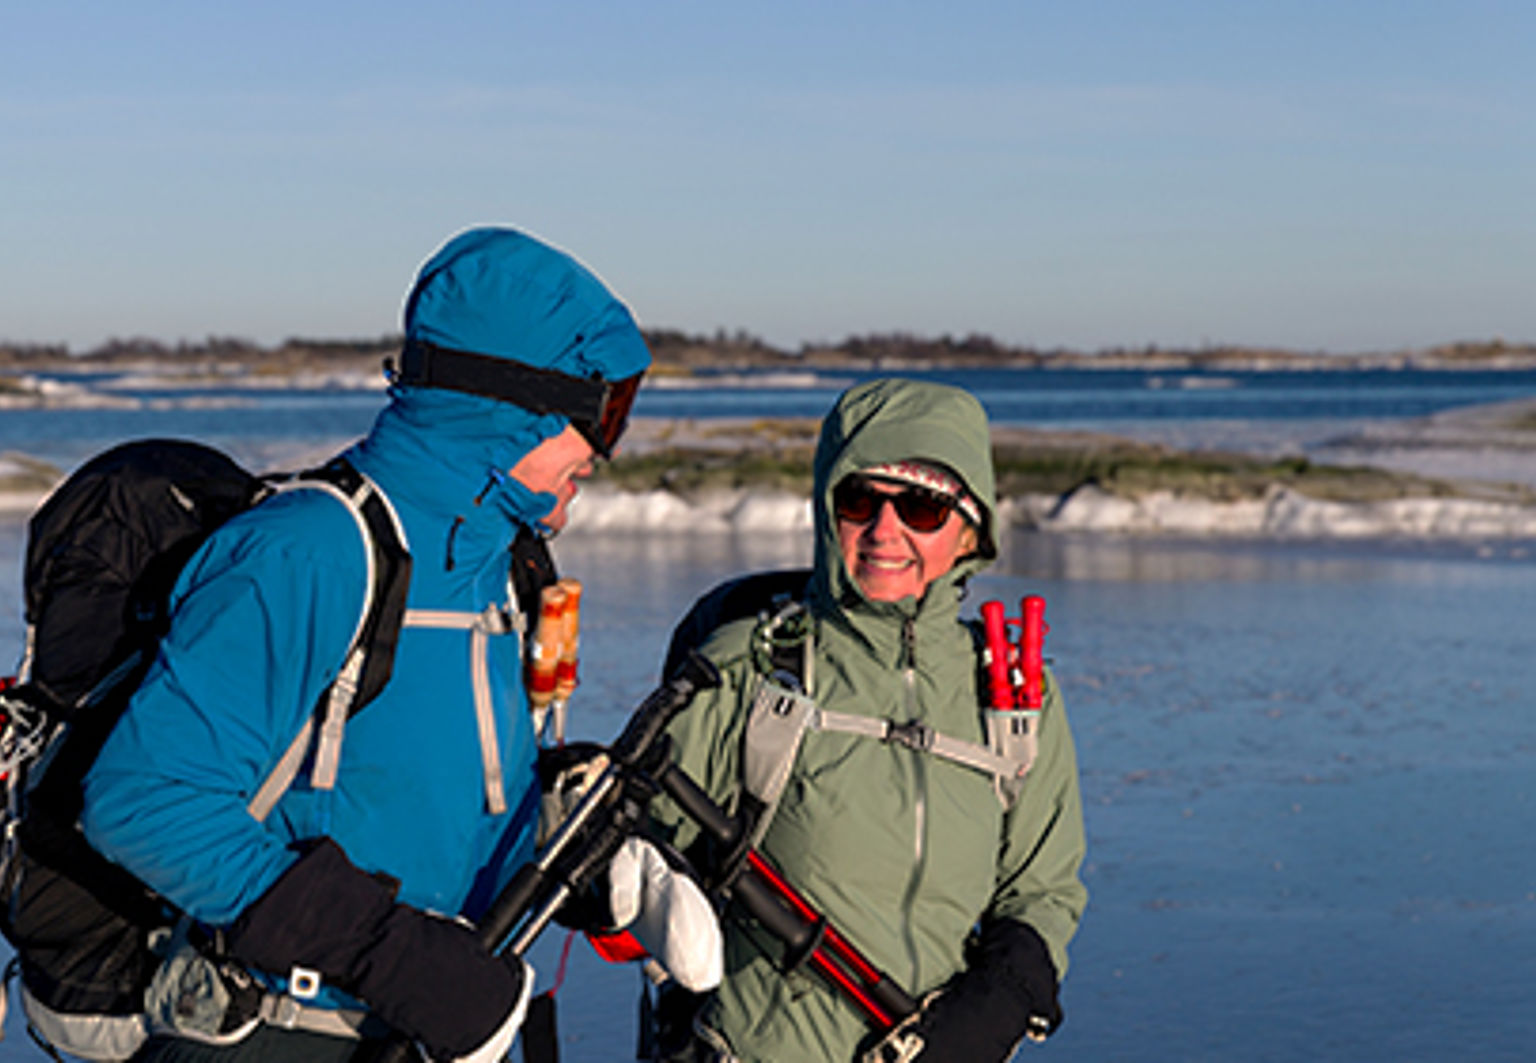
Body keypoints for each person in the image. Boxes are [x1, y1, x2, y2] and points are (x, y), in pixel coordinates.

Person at [77, 227, 699, 1062]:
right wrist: (394, 958)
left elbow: (436, 793)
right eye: (601, 417)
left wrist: (588, 870)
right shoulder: (311, 550)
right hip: (282, 1037)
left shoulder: (505, 566)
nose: (602, 453)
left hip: (439, 1034)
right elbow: (142, 800)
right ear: (512, 407)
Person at [650, 378, 1088, 1062]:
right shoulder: (746, 664)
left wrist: (1004, 992)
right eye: (860, 500)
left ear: (970, 528)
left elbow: (1042, 886)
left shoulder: (1012, 693)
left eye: (922, 506)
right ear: (829, 510)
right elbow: (640, 855)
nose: (887, 531)